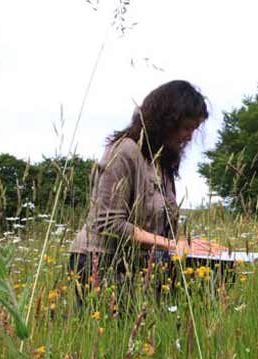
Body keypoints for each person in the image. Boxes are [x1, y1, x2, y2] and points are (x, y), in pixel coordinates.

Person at [69, 80, 224, 302]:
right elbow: (108, 223)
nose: (189, 136)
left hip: (136, 265)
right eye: (186, 128)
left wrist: (191, 246)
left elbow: (158, 227)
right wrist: (174, 244)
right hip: (99, 262)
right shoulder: (125, 151)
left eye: (195, 129)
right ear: (166, 121)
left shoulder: (162, 161)